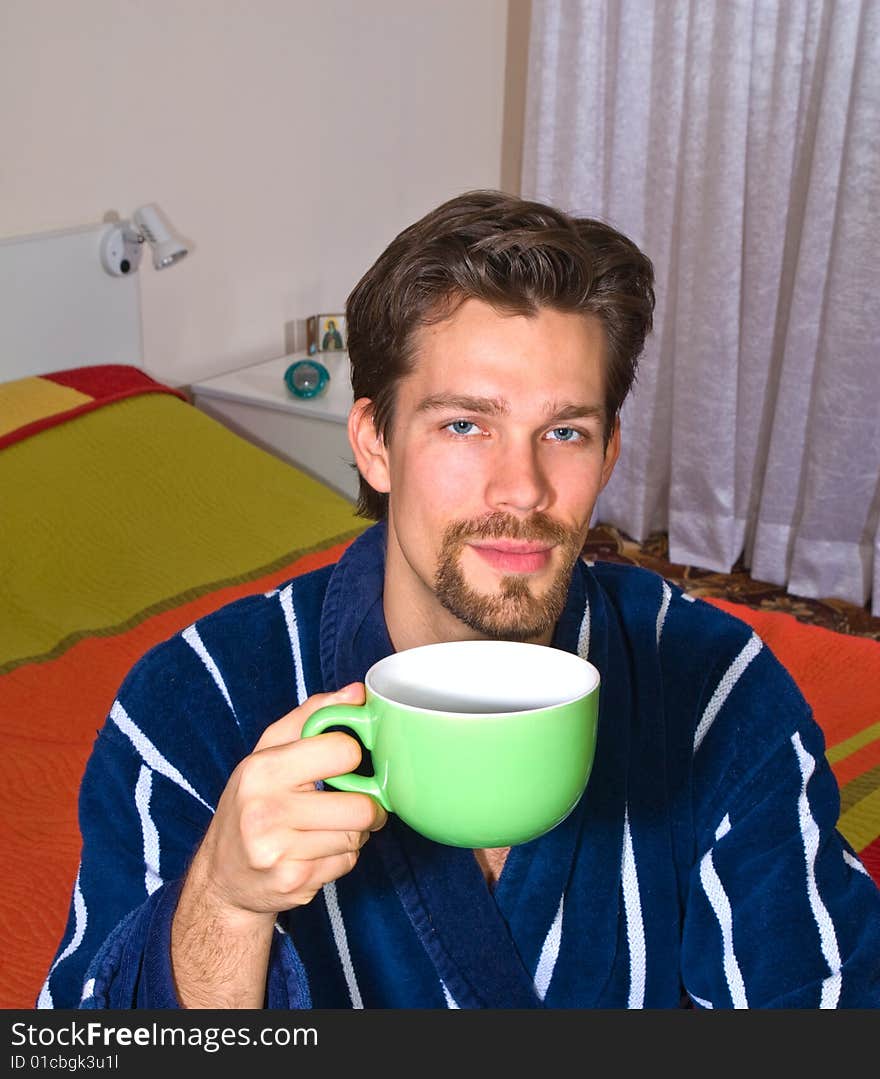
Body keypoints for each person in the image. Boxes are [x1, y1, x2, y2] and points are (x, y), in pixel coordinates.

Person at [40, 190, 880, 1010]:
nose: (521, 489)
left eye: (564, 432)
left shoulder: (716, 689)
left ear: (610, 452)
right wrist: (223, 901)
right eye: (464, 425)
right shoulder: (190, 706)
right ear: (374, 442)